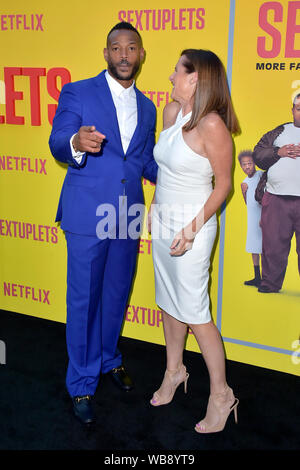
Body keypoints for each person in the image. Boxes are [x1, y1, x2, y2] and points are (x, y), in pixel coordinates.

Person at [49, 22, 157, 424]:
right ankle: (80, 383)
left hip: (127, 213)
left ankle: (109, 359)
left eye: (132, 48)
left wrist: (186, 179)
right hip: (86, 211)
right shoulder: (79, 91)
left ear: (141, 54)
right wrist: (76, 142)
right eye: (116, 48)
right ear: (106, 53)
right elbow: (58, 140)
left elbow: (143, 161)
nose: (124, 55)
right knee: (83, 300)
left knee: (116, 294)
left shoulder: (148, 108)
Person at [148, 49, 240, 433]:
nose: (170, 76)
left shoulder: (213, 125)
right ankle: (175, 371)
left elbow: (224, 186)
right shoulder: (172, 114)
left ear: (195, 79)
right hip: (164, 222)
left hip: (194, 228)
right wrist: (153, 212)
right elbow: (164, 172)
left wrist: (191, 228)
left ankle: (222, 394)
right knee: (169, 303)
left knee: (197, 313)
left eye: (176, 70)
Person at [253, 94, 300, 293]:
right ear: (292, 110)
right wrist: (277, 152)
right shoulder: (279, 132)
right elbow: (257, 155)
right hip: (276, 198)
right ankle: (270, 284)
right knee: (272, 246)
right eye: (298, 108)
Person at [238, 150, 263, 287]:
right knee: (254, 246)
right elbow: (248, 203)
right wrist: (244, 191)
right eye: (244, 164)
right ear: (241, 166)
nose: (247, 167)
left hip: (263, 216)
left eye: (250, 163)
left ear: (254, 164)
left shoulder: (261, 175)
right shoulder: (244, 183)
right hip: (252, 218)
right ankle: (257, 277)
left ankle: (267, 277)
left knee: (266, 246)